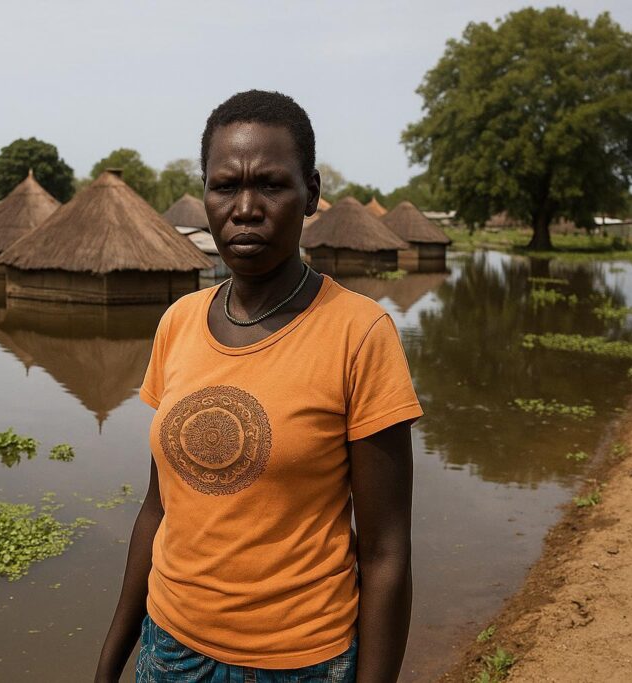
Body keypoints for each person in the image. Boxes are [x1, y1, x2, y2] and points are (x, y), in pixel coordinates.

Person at [95, 90, 422, 683]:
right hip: (167, 650)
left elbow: (385, 553)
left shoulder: (360, 334)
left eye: (271, 185)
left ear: (311, 193)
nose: (245, 208)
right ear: (205, 196)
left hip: (300, 662)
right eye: (225, 186)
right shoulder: (179, 323)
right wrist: (112, 661)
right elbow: (158, 509)